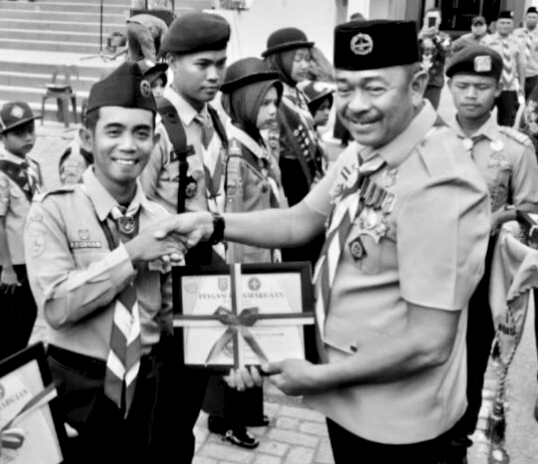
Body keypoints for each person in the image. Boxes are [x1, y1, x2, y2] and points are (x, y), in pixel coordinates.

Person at [159, 19, 491, 463]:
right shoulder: (369, 149)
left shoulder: (440, 183)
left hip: (397, 424)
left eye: (374, 89)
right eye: (345, 88)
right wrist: (213, 224)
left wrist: (314, 378)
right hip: (348, 400)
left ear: (416, 87)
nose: (356, 106)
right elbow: (300, 221)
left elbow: (430, 342)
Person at [24, 61, 182, 462]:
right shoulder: (54, 211)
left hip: (143, 380)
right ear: (86, 138)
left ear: (154, 140)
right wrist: (132, 253)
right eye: (114, 131)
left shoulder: (160, 219)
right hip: (78, 383)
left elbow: (167, 314)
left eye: (141, 133)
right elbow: (57, 308)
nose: (129, 145)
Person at [140, 11, 237, 458]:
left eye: (220, 63)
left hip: (206, 273)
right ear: (172, 62)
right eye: (202, 64)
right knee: (167, 411)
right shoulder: (157, 126)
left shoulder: (213, 119)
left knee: (189, 403)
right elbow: (135, 216)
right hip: (169, 285)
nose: (214, 75)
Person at [445, 44, 538, 457]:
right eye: (463, 85)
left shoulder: (516, 148)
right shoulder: (428, 140)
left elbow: (532, 208)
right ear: (449, 86)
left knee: (472, 347)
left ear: (498, 89)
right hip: (428, 260)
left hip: (483, 265)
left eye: (481, 87)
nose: (471, 95)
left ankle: (458, 437)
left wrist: (500, 218)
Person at [201, 57, 287, 450]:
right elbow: (230, 223)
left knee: (256, 340)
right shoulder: (235, 154)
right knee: (236, 340)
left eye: (275, 103)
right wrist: (231, 279)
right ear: (244, 103)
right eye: (264, 103)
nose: (272, 111)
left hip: (262, 260)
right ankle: (227, 419)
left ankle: (248, 408)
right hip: (243, 266)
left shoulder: (256, 144)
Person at [261, 27, 325, 264]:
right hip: (289, 178)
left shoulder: (297, 92)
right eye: (298, 59)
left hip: (306, 175)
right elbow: (271, 150)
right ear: (281, 60)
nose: (305, 65)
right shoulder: (274, 95)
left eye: (307, 59)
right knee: (298, 244)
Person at [0, 101, 42, 360]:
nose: (28, 138)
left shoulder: (33, 167)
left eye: (31, 130)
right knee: (8, 336)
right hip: (10, 267)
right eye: (19, 133)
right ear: (1, 137)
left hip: (31, 261)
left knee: (26, 323)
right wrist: (6, 268)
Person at [483, 10, 526, 126]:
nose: (505, 26)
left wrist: (521, 85)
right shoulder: (487, 41)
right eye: (502, 23)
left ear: (512, 25)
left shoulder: (518, 42)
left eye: (508, 23)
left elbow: (521, 64)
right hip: (491, 85)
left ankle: (502, 138)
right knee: (481, 117)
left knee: (507, 121)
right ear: (496, 24)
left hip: (510, 87)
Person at [418, 8, 452, 110]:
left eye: (435, 18)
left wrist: (436, 39)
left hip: (434, 82)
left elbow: (446, 52)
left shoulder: (445, 37)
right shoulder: (416, 35)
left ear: (440, 20)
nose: (432, 21)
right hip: (415, 80)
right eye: (429, 18)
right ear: (424, 19)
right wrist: (419, 39)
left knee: (430, 113)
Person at [514, 6, 538, 97]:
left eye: (534, 17)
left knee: (530, 101)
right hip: (517, 74)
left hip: (533, 75)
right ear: (525, 18)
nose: (532, 19)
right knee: (516, 100)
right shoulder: (516, 33)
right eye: (530, 17)